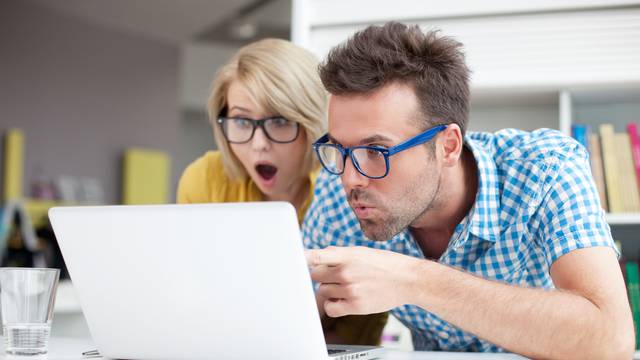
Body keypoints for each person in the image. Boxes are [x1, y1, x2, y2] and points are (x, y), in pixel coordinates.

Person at [302, 22, 634, 359]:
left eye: (376, 152)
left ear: (448, 146)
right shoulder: (335, 201)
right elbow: (302, 324)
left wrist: (414, 279)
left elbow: (612, 339)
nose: (349, 179)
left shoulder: (545, 169)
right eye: (340, 150)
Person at [177, 38, 387, 345]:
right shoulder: (205, 180)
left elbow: (347, 315)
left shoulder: (345, 188)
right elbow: (195, 293)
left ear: (310, 122)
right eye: (241, 120)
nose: (258, 143)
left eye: (278, 121)